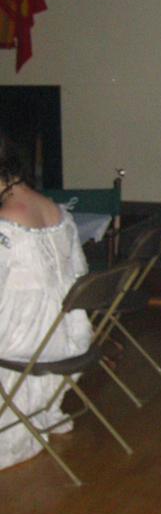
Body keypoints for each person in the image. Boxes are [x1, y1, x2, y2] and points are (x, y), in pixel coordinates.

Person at [0, 129, 92, 469]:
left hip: (28, 340)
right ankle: (42, 408)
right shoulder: (55, 210)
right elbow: (80, 270)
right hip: (69, 334)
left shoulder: (6, 222)